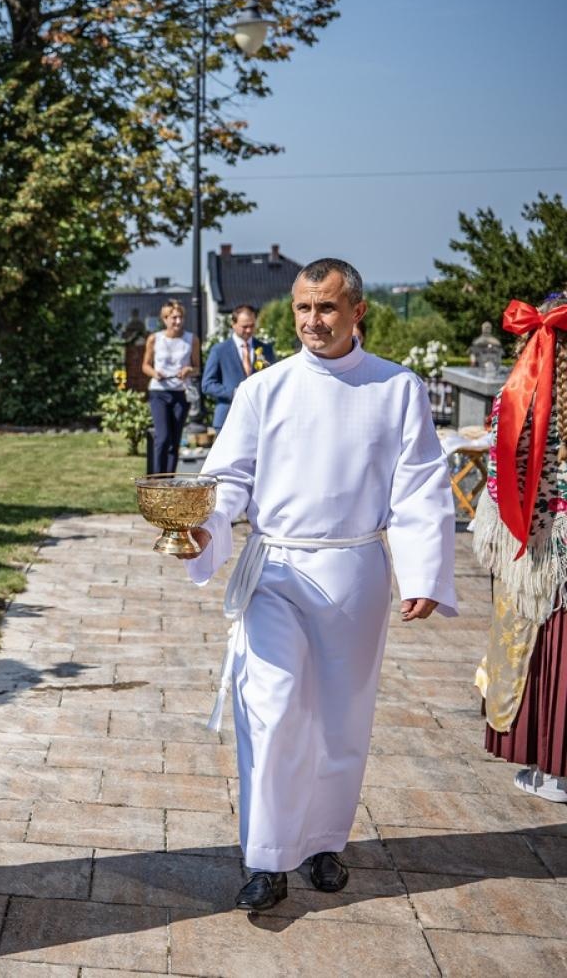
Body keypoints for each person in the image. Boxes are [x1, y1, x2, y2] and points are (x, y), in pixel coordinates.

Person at [182, 258, 456, 911]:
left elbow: (419, 485)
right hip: (274, 569)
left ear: (356, 311)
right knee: (271, 711)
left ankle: (323, 842)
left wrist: (423, 571)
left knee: (341, 716)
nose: (312, 321)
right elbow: (228, 481)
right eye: (303, 309)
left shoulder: (396, 389)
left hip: (356, 566)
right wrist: (203, 528)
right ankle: (268, 857)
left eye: (326, 308)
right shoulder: (262, 390)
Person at [472, 294, 567, 803]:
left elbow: (500, 474)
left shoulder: (522, 395)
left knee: (542, 646)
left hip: (541, 550)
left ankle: (553, 765)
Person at [140, 299, 199, 473]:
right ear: (165, 319)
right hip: (159, 392)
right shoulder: (154, 339)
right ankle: (156, 479)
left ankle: (169, 481)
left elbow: (197, 368)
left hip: (181, 393)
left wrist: (189, 370)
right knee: (163, 437)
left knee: (174, 440)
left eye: (180, 317)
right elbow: (145, 365)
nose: (178, 321)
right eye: (173, 318)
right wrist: (154, 373)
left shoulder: (191, 339)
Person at [201, 305, 276, 431]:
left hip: (259, 418)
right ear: (233, 324)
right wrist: (234, 393)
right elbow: (207, 384)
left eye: (252, 326)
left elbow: (273, 380)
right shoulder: (219, 350)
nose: (248, 330)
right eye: (244, 326)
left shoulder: (265, 349)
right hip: (227, 416)